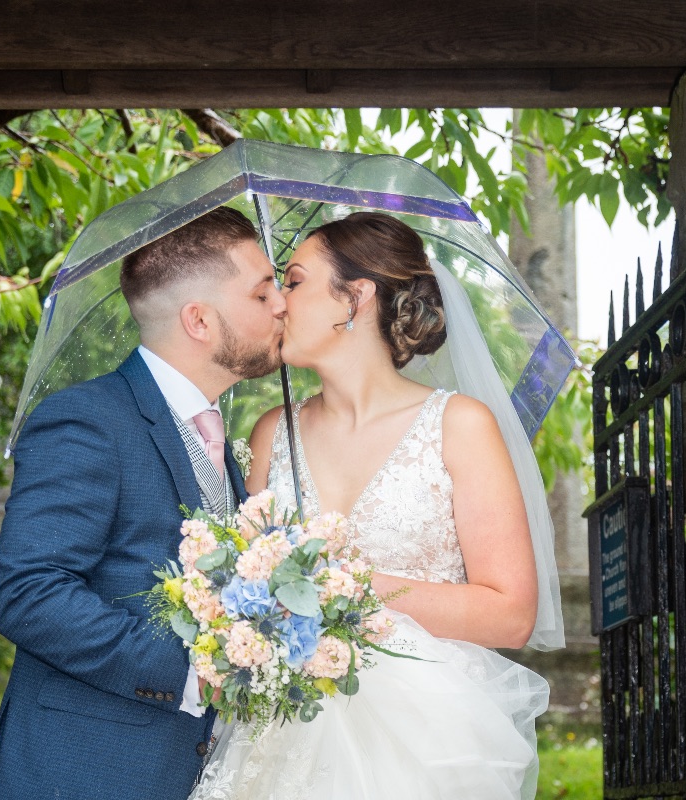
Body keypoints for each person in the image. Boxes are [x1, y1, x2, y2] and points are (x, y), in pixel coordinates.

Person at [190, 212, 558, 799]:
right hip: (279, 737)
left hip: (424, 741)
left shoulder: (459, 426)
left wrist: (340, 588)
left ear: (355, 299)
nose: (279, 303)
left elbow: (510, 613)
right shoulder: (269, 434)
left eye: (295, 280)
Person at [0, 207, 287, 800]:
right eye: (262, 292)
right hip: (88, 773)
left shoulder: (219, 438)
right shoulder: (87, 420)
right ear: (199, 319)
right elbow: (30, 593)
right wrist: (191, 672)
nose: (282, 307)